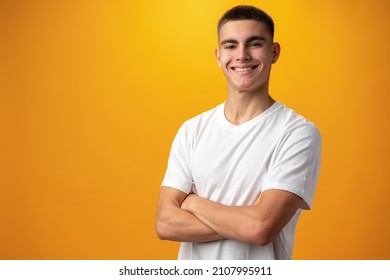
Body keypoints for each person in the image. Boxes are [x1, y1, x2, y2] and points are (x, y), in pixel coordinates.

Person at [155, 5, 322, 260]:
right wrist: (243, 221)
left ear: (274, 52)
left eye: (254, 43)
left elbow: (260, 228)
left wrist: (192, 203)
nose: (242, 55)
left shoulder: (297, 133)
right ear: (218, 55)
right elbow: (165, 224)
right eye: (231, 46)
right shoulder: (192, 131)